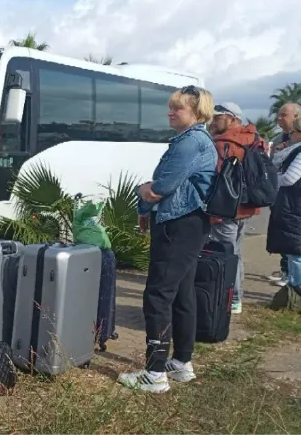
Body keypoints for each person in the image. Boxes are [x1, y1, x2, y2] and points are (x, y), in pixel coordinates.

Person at [117, 85, 217, 393]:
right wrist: (148, 199)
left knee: (158, 294)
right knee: (182, 293)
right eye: (171, 107)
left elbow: (161, 187)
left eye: (178, 108)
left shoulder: (191, 142)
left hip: (178, 224)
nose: (170, 112)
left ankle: (154, 372)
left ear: (198, 112)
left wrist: (143, 192)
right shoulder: (199, 140)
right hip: (189, 224)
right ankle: (180, 363)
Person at [208, 102, 268, 314]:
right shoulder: (256, 139)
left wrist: (213, 212)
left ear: (233, 119)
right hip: (247, 206)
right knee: (236, 253)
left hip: (226, 208)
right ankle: (236, 297)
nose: (213, 121)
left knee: (225, 254)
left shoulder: (224, 142)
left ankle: (231, 299)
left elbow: (214, 180)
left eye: (218, 117)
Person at [266, 114, 301, 300]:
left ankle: (296, 293)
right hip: (293, 205)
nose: (290, 136)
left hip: (295, 206)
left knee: (296, 253)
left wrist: (271, 181)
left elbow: (289, 178)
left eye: (293, 132)